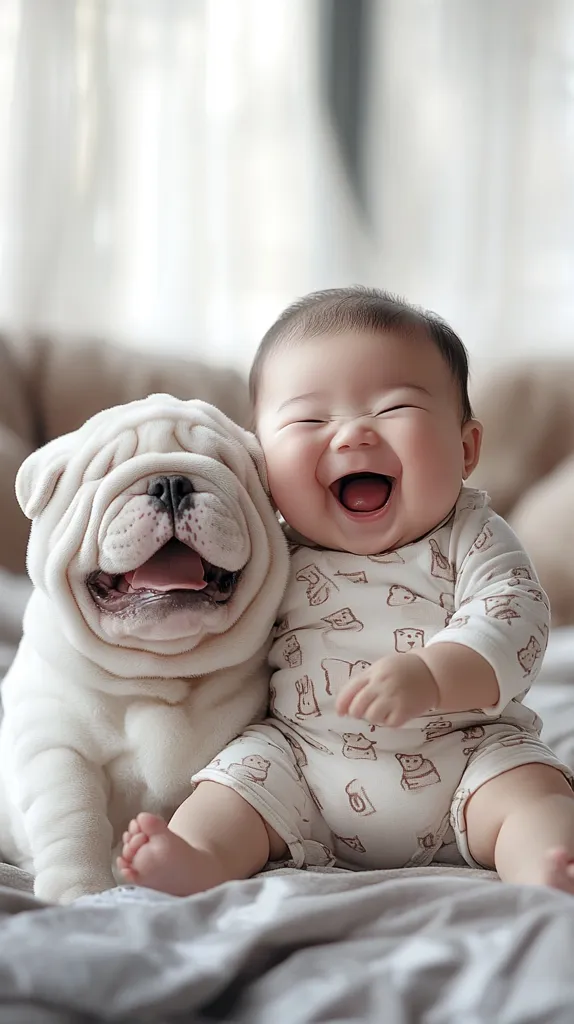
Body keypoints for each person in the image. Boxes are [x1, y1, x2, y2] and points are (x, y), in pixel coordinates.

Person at [118, 287, 574, 895]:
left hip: (465, 755)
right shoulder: (266, 546)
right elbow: (209, 623)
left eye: (393, 410)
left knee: (530, 792)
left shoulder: (471, 535)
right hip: (305, 763)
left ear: (465, 449)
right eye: (310, 419)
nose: (353, 434)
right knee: (232, 782)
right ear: (261, 463)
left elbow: (514, 616)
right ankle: (197, 857)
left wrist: (434, 675)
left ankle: (546, 861)